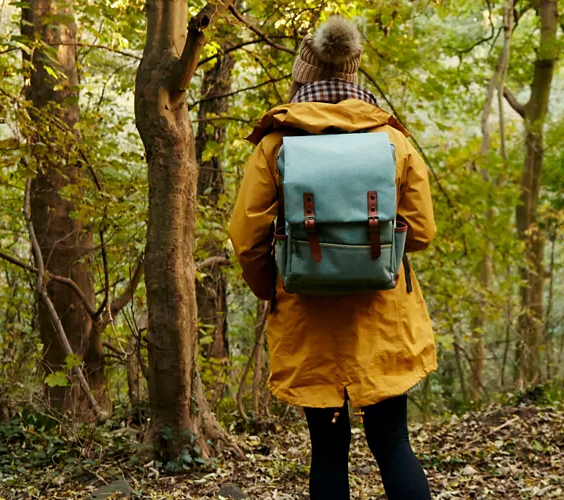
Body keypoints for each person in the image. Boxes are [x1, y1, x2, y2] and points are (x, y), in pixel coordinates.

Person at [228, 15, 437, 500]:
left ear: (304, 73)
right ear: (353, 73)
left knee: (327, 452)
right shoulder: (393, 141)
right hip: (382, 318)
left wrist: (275, 288)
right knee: (393, 445)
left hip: (308, 320)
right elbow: (422, 232)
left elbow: (247, 238)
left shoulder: (276, 143)